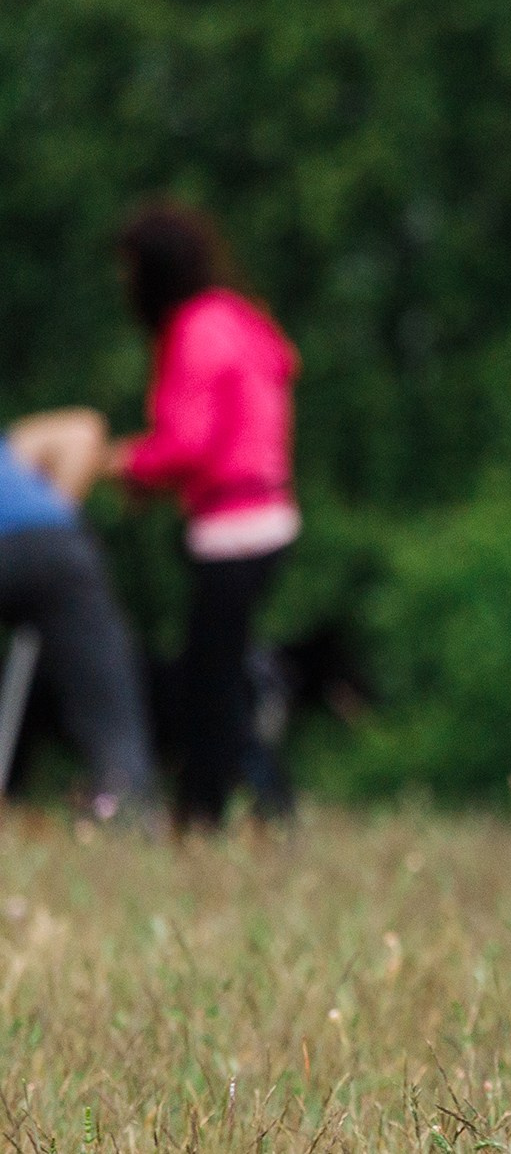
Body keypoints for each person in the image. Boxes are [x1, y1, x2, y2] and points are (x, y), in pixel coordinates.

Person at [103, 204, 302, 831]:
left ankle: (206, 814)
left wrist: (126, 464)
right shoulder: (239, 318)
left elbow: (190, 442)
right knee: (219, 674)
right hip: (268, 515)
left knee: (209, 685)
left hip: (232, 527)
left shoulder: (194, 329)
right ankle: (257, 808)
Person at [0, 412, 157, 818]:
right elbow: (84, 429)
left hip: (44, 537)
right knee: (104, 689)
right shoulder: (15, 450)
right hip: (56, 541)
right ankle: (126, 801)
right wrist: (58, 505)